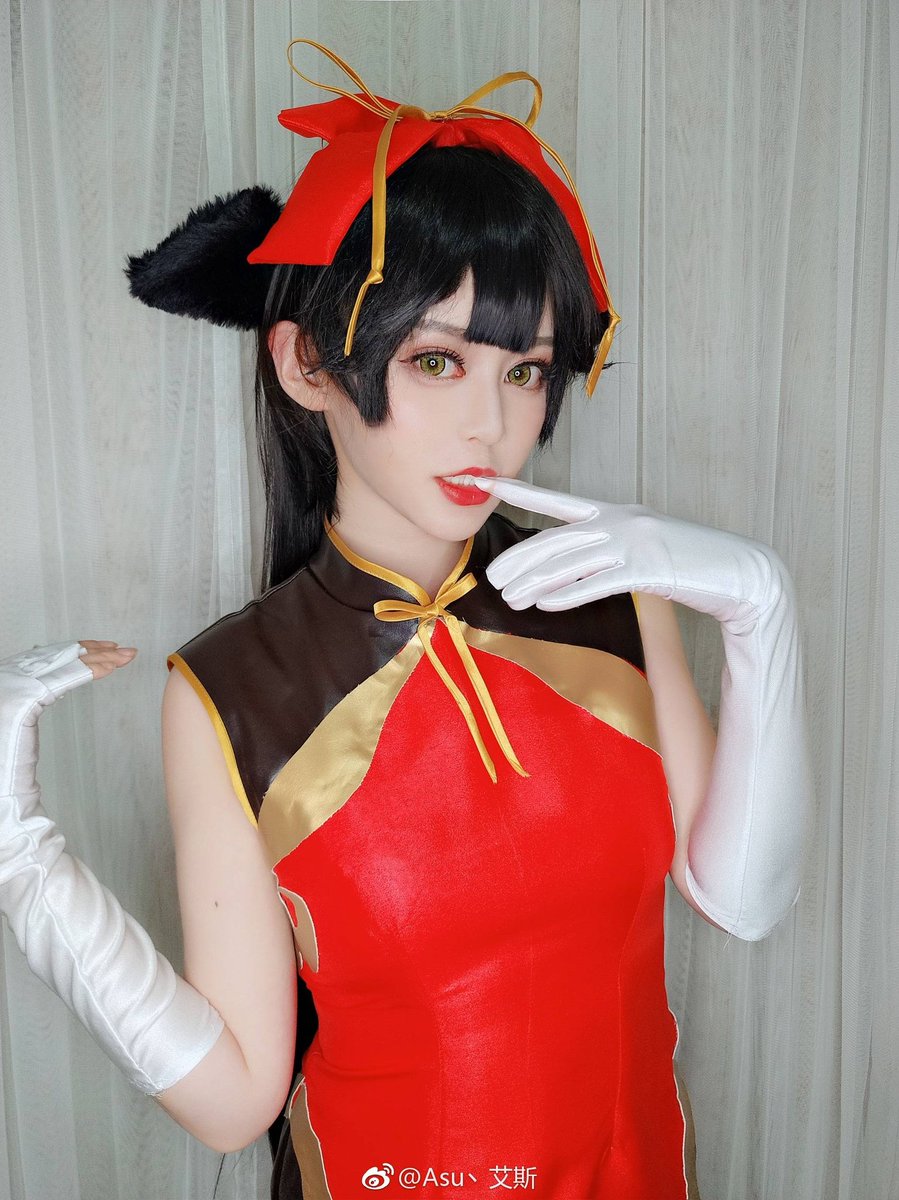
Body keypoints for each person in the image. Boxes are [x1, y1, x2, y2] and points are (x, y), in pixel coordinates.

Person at [0, 40, 808, 1200]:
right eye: (436, 361)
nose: (489, 424)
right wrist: (23, 863)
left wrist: (757, 606)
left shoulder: (609, 591)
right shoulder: (229, 689)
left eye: (523, 371)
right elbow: (236, 1102)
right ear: (306, 365)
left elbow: (741, 900)